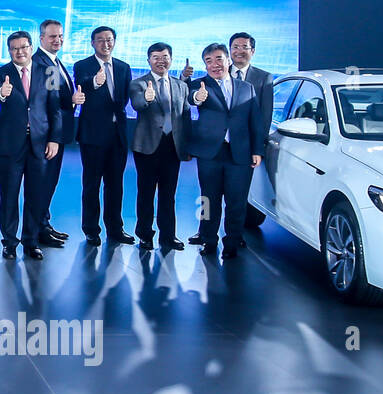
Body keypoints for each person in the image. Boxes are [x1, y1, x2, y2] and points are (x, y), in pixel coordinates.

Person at [185, 43, 265, 258]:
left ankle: (232, 241)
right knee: (208, 200)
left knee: (236, 202)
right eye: (208, 61)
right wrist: (197, 98)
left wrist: (257, 150)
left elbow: (255, 121)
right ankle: (209, 241)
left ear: (228, 60)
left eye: (218, 59)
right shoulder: (198, 85)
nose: (214, 65)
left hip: (240, 154)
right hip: (210, 153)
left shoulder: (246, 88)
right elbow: (192, 98)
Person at [0, 31, 61, 260]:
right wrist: (2, 93)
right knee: (9, 196)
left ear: (31, 48)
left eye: (23, 47)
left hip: (40, 144)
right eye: (14, 48)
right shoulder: (0, 73)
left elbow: (54, 108)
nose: (19, 52)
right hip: (10, 145)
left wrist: (54, 139)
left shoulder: (48, 71)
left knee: (36, 195)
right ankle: (9, 242)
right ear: (9, 51)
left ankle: (31, 241)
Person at [72, 26, 134, 246]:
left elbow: (124, 98)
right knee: (92, 185)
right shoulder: (82, 66)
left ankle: (115, 229)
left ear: (114, 41)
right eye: (100, 40)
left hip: (117, 136)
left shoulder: (123, 67)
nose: (105, 44)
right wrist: (96, 83)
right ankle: (91, 229)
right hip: (92, 136)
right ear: (92, 43)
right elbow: (84, 86)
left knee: (116, 185)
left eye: (109, 40)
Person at [129, 42, 191, 251]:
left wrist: (187, 146)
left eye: (164, 57)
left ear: (171, 59)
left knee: (168, 194)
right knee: (146, 193)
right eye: (156, 57)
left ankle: (168, 236)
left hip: (172, 147)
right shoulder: (138, 83)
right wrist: (146, 99)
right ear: (149, 61)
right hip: (147, 147)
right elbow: (137, 104)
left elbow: (186, 116)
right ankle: (145, 235)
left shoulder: (180, 85)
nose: (160, 61)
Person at [34, 19, 85, 246]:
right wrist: (71, 101)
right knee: (43, 183)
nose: (58, 40)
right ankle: (38, 229)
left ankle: (44, 224)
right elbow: (51, 102)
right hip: (47, 137)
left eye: (61, 36)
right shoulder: (43, 63)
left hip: (57, 134)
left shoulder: (55, 61)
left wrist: (72, 101)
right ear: (42, 38)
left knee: (49, 183)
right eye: (53, 36)